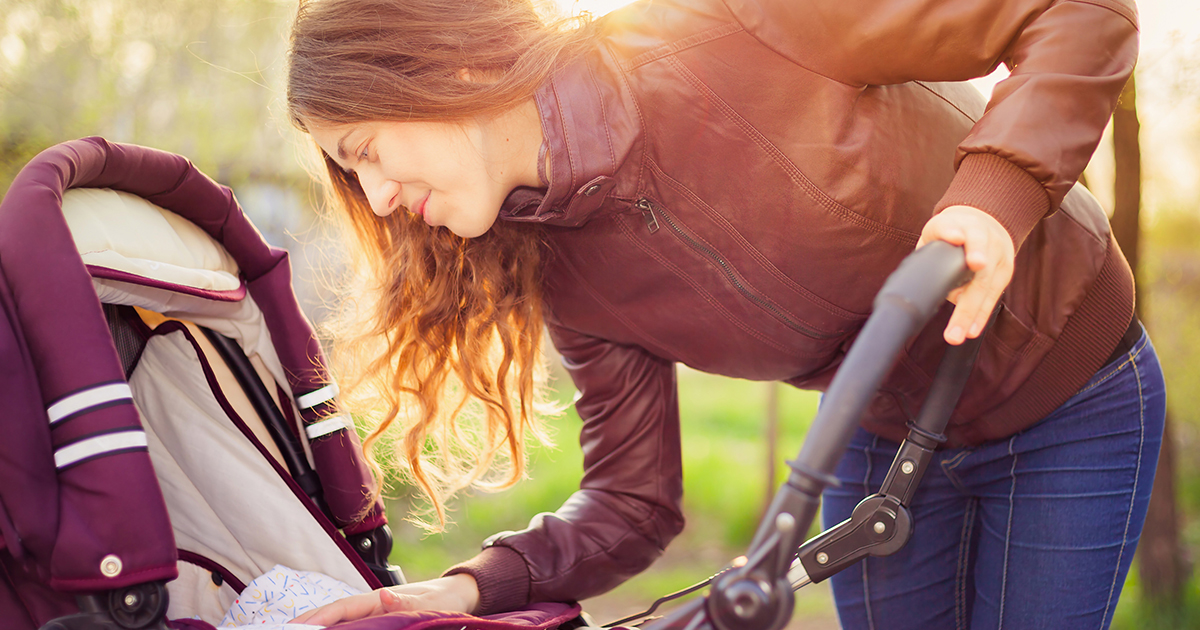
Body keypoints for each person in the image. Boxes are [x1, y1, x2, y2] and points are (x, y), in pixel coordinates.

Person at [286, 0, 1165, 627]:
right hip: (880, 436)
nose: (379, 196)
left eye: (364, 152)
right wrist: (470, 588)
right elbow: (634, 504)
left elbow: (1082, 14)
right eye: (349, 175)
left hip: (1070, 396)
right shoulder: (558, 266)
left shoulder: (738, 23)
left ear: (448, 65)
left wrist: (991, 198)